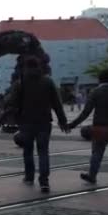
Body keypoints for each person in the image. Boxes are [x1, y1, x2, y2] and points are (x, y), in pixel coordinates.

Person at [9, 56, 67, 193]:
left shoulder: (19, 84)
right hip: (44, 122)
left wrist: (17, 119)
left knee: (27, 151)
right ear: (38, 66)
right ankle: (44, 181)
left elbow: (13, 104)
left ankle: (29, 177)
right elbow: (57, 103)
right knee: (43, 152)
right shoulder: (48, 81)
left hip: (26, 123)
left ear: (25, 67)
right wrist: (62, 120)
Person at [66, 69, 108, 184]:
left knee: (97, 153)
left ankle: (92, 176)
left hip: (100, 127)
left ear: (100, 80)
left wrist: (72, 125)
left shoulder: (95, 92)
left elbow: (86, 112)